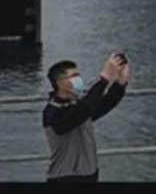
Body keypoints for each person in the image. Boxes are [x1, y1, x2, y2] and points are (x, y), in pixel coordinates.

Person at [43, 54, 129, 183]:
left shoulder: (79, 105)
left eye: (78, 75)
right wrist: (104, 78)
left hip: (89, 173)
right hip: (65, 177)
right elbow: (82, 110)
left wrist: (120, 82)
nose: (78, 79)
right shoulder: (53, 112)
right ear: (59, 82)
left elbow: (103, 105)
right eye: (73, 76)